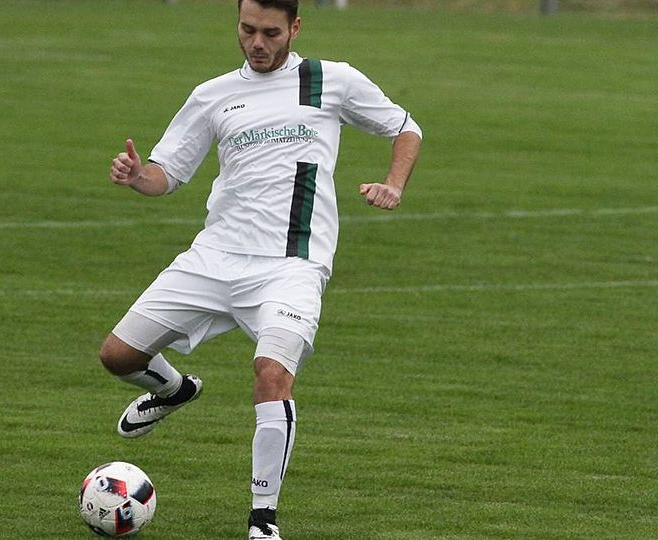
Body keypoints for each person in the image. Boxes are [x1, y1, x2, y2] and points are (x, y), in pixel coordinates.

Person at [101, 0, 422, 538]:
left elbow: (406, 128)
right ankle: (175, 390)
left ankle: (263, 520)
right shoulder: (214, 94)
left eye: (270, 32)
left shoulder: (330, 80)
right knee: (117, 356)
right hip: (214, 256)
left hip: (292, 264)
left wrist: (394, 183)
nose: (257, 43)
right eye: (247, 30)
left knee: (272, 376)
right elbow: (167, 173)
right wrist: (138, 177)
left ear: (294, 28)